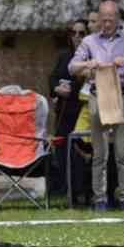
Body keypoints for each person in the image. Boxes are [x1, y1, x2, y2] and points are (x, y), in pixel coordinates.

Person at [69, 0, 124, 211]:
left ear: (117, 19)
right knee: (100, 153)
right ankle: (100, 199)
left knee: (122, 152)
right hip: (98, 97)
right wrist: (88, 63)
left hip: (122, 96)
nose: (106, 24)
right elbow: (72, 67)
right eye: (103, 19)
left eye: (110, 19)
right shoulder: (89, 41)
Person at [48, 18, 88, 192]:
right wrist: (55, 88)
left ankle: (81, 188)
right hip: (63, 112)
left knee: (80, 151)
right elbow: (53, 77)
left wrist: (70, 90)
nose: (77, 37)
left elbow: (88, 82)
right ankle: (64, 187)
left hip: (81, 110)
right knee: (61, 149)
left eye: (81, 33)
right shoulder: (64, 55)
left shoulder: (92, 55)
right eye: (74, 33)